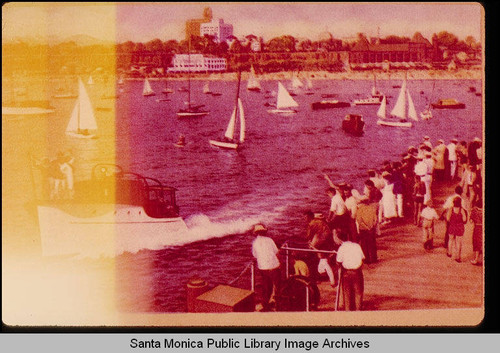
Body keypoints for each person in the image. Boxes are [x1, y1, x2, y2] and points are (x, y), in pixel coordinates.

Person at [251, 224, 281, 311]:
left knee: (266, 286)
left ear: (256, 233)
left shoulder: (255, 243)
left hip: (263, 267)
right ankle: (277, 304)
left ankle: (265, 304)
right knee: (278, 285)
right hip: (273, 266)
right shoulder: (269, 240)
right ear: (264, 232)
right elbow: (276, 252)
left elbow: (255, 255)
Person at [305, 211, 336, 287]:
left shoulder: (312, 224)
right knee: (322, 262)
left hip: (322, 241)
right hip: (328, 240)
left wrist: (311, 244)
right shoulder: (320, 222)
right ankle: (329, 277)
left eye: (305, 218)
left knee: (319, 259)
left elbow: (308, 236)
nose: (304, 220)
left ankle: (332, 280)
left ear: (309, 218)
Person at [336, 240, 365, 311]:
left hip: (346, 272)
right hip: (357, 271)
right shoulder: (357, 246)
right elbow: (363, 258)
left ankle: (348, 311)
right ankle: (358, 311)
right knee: (358, 293)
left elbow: (338, 261)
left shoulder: (342, 248)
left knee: (347, 295)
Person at [355, 198, 379, 263]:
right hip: (372, 229)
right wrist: (372, 227)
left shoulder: (359, 210)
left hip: (364, 229)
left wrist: (367, 227)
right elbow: (376, 219)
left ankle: (367, 259)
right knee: (372, 244)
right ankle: (374, 259)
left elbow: (359, 221)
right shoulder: (372, 209)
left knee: (364, 245)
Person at [445, 197, 468, 262]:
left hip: (452, 226)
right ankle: (458, 257)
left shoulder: (451, 209)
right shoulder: (462, 210)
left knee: (450, 240)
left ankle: (449, 253)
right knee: (458, 242)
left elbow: (447, 219)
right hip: (460, 227)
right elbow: (464, 219)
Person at [469, 198, 483, 265]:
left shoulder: (474, 210)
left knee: (477, 243)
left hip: (477, 227)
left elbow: (471, 221)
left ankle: (476, 259)